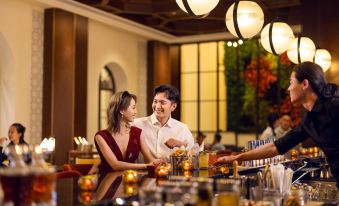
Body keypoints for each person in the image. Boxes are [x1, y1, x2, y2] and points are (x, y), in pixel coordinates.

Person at [216, 62, 339, 188]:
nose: (288, 88)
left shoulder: (334, 105)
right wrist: (237, 157)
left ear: (305, 84)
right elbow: (276, 147)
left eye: (291, 83)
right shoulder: (309, 120)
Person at [93, 91, 162, 174]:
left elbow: (151, 160)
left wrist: (159, 162)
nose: (136, 111)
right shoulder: (101, 136)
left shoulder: (137, 133)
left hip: (131, 181)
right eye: (133, 108)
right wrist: (146, 166)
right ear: (121, 110)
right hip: (108, 181)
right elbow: (115, 165)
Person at [133, 84, 194, 159]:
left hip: (171, 170)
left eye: (162, 102)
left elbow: (194, 151)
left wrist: (180, 144)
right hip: (143, 170)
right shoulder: (137, 124)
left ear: (173, 106)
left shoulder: (182, 128)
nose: (157, 106)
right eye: (155, 101)